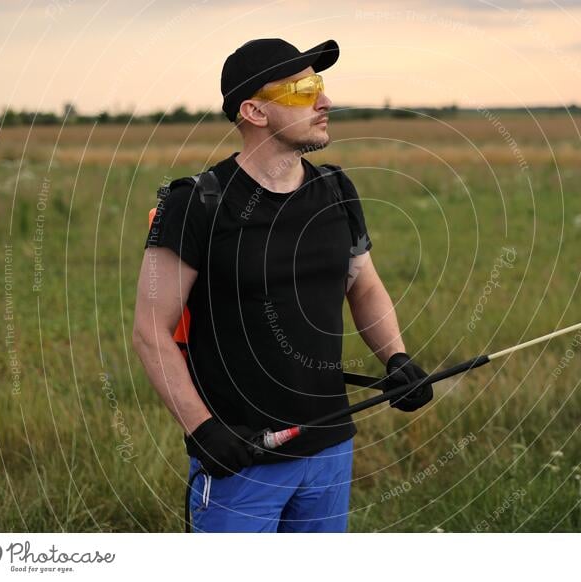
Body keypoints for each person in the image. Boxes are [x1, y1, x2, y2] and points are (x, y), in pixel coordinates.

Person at [132, 38, 433, 533]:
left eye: (321, 85)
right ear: (253, 111)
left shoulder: (335, 189)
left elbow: (364, 286)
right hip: (242, 458)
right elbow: (150, 330)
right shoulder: (197, 202)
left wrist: (396, 359)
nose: (325, 101)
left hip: (330, 448)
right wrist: (203, 430)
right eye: (303, 88)